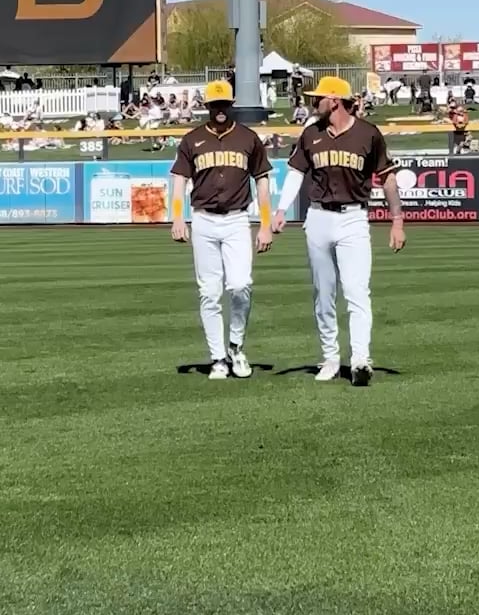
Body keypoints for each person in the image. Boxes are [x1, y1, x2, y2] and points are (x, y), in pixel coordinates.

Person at [272, 76, 405, 386]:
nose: (312, 102)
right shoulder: (311, 133)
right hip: (318, 217)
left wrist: (397, 220)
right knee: (324, 293)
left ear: (334, 101)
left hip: (353, 218)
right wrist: (281, 209)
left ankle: (360, 359)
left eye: (317, 97)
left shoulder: (368, 133)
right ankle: (330, 357)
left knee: (357, 291)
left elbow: (387, 177)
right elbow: (295, 173)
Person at [170, 80, 272, 381]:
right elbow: (179, 180)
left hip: (237, 220)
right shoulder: (192, 139)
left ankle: (236, 346)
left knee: (240, 285)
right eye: (215, 105)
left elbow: (262, 181)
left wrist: (265, 224)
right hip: (203, 219)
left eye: (224, 104)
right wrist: (177, 218)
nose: (220, 110)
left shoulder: (248, 138)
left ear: (232, 105)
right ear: (207, 106)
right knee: (209, 292)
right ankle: (217, 358)